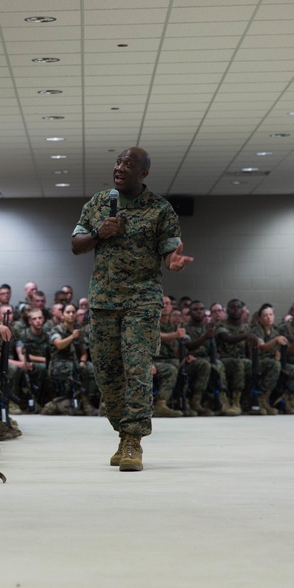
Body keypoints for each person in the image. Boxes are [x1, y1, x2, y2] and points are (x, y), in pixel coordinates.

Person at [71, 146, 192, 471]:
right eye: (118, 162)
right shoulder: (98, 203)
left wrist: (174, 263)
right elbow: (76, 245)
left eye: (129, 164)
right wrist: (99, 232)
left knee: (137, 370)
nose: (120, 168)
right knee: (107, 374)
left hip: (142, 301)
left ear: (143, 174)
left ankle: (133, 441)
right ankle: (122, 431)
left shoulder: (160, 209)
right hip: (103, 301)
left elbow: (170, 253)